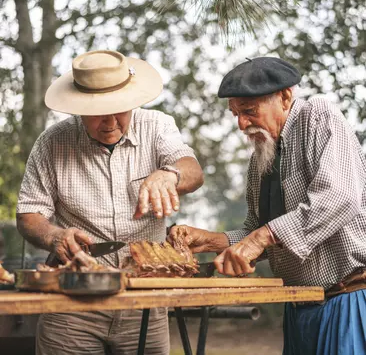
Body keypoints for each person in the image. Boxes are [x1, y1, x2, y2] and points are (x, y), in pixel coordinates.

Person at [170, 57, 366, 354]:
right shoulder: (259, 158)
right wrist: (211, 241)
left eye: (249, 111)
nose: (241, 124)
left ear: (285, 97)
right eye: (235, 113)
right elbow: (256, 231)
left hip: (347, 300)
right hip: (298, 305)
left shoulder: (317, 115)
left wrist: (261, 238)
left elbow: (339, 198)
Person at [16, 49, 204, 355]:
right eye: (98, 111)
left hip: (145, 301)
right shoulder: (51, 143)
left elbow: (192, 170)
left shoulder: (157, 126)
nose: (111, 121)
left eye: (120, 109)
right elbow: (28, 215)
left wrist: (169, 175)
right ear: (78, 107)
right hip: (70, 305)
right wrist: (54, 236)